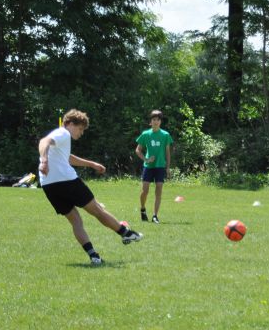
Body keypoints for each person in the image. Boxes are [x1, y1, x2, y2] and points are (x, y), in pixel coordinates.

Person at [38, 109, 142, 266]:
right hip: (68, 181)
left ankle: (94, 256)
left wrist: (91, 164)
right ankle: (125, 233)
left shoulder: (61, 139)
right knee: (97, 210)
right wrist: (44, 161)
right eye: (80, 129)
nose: (81, 133)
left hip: (49, 185)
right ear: (71, 124)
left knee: (76, 221)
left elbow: (68, 158)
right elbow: (43, 141)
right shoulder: (63, 133)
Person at [135, 109, 173, 224]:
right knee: (145, 191)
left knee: (159, 190)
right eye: (154, 120)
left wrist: (168, 167)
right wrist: (146, 159)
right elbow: (138, 150)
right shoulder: (146, 134)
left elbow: (167, 152)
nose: (156, 122)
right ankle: (142, 209)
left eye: (158, 120)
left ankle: (155, 215)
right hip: (148, 166)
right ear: (150, 122)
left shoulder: (165, 135)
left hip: (160, 166)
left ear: (160, 122)